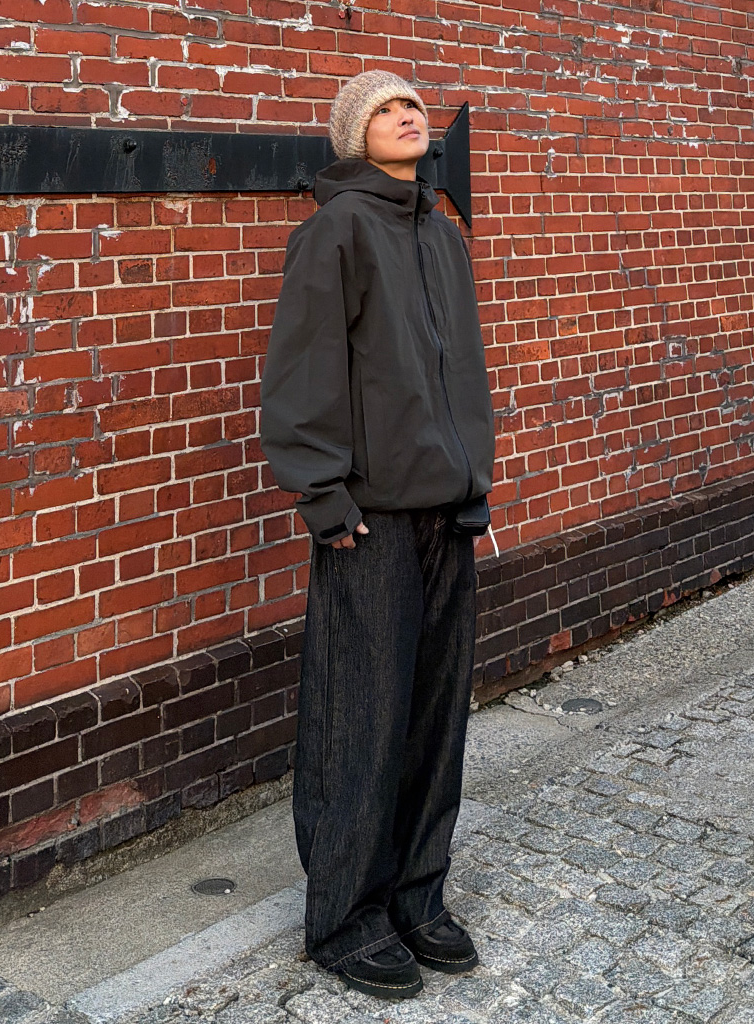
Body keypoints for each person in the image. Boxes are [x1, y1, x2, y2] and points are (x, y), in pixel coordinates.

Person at [260, 69, 495, 1001]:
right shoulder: (336, 230)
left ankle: (415, 896)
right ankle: (346, 916)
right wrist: (323, 496)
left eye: (414, 106)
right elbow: (303, 369)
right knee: (358, 721)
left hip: (447, 511)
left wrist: (474, 483)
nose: (408, 116)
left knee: (434, 720)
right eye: (386, 109)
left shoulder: (442, 234)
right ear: (355, 134)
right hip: (369, 517)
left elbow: (464, 371)